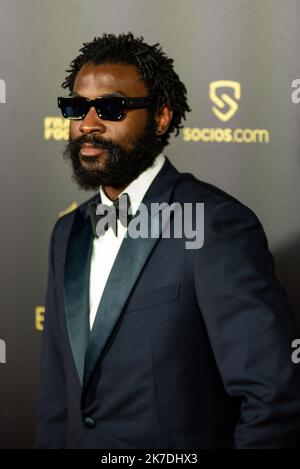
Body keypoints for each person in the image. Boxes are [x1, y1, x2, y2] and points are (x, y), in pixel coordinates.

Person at [36, 32, 300, 449]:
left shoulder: (215, 225)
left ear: (160, 116)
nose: (87, 124)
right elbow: (56, 399)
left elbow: (273, 395)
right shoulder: (67, 232)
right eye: (76, 107)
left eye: (110, 107)